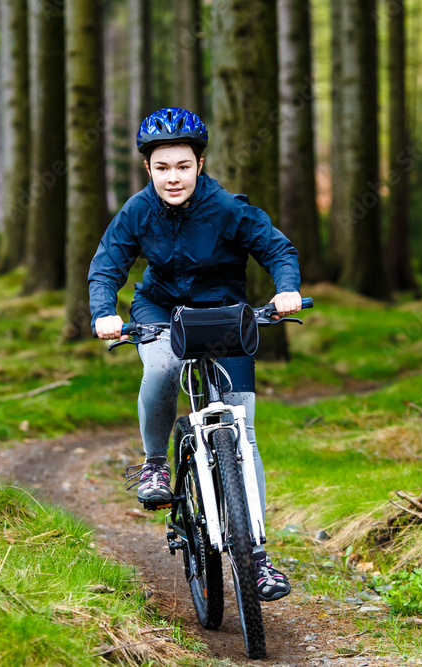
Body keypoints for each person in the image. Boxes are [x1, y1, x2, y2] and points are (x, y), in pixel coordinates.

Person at [88, 107, 301, 601]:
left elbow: (277, 249)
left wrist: (286, 289)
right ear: (148, 170)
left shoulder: (228, 208)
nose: (173, 177)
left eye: (183, 166)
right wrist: (105, 312)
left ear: (199, 164)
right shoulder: (138, 212)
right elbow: (106, 266)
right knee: (161, 367)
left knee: (242, 433)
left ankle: (260, 558)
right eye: (162, 168)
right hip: (160, 311)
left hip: (223, 315)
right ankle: (155, 465)